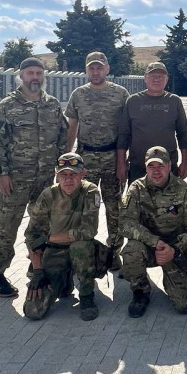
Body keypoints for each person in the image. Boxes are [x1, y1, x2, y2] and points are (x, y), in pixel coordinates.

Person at [0, 57, 68, 297]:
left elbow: (62, 138)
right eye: (30, 73)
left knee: (42, 225)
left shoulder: (52, 105)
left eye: (39, 73)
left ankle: (38, 266)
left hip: (44, 179)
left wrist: (61, 170)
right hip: (15, 179)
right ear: (21, 76)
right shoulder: (8, 106)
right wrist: (2, 173)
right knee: (6, 227)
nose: (35, 77)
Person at [65, 51, 129, 269]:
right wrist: (66, 159)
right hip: (86, 159)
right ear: (86, 70)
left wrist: (122, 160)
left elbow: (125, 129)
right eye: (91, 68)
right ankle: (84, 251)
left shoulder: (120, 94)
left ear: (107, 69)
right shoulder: (78, 94)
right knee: (84, 206)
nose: (95, 72)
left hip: (112, 157)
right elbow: (72, 126)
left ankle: (113, 251)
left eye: (99, 68)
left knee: (114, 207)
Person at [118, 146, 187, 317]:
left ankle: (171, 279)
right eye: (151, 166)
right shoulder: (136, 189)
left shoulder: (184, 190)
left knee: (185, 306)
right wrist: (154, 241)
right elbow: (125, 223)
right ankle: (140, 290)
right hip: (148, 246)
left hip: (175, 249)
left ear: (169, 166)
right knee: (131, 252)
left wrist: (174, 249)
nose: (156, 171)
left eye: (160, 166)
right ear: (145, 168)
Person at [23, 153, 101, 321]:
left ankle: (87, 295)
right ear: (56, 175)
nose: (68, 179)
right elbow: (31, 234)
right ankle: (64, 280)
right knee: (33, 310)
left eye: (73, 174)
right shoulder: (48, 195)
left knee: (81, 247)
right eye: (63, 174)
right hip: (54, 252)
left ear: (83, 173)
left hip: (81, 250)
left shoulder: (90, 191)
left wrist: (50, 238)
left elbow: (88, 231)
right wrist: (38, 271)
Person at [117, 62, 187, 184]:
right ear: (145, 78)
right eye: (152, 76)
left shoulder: (174, 101)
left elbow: (182, 134)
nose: (156, 79)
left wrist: (185, 162)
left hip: (167, 167)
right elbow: (124, 135)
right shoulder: (133, 101)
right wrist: (121, 164)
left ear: (166, 79)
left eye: (160, 76)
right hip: (138, 166)